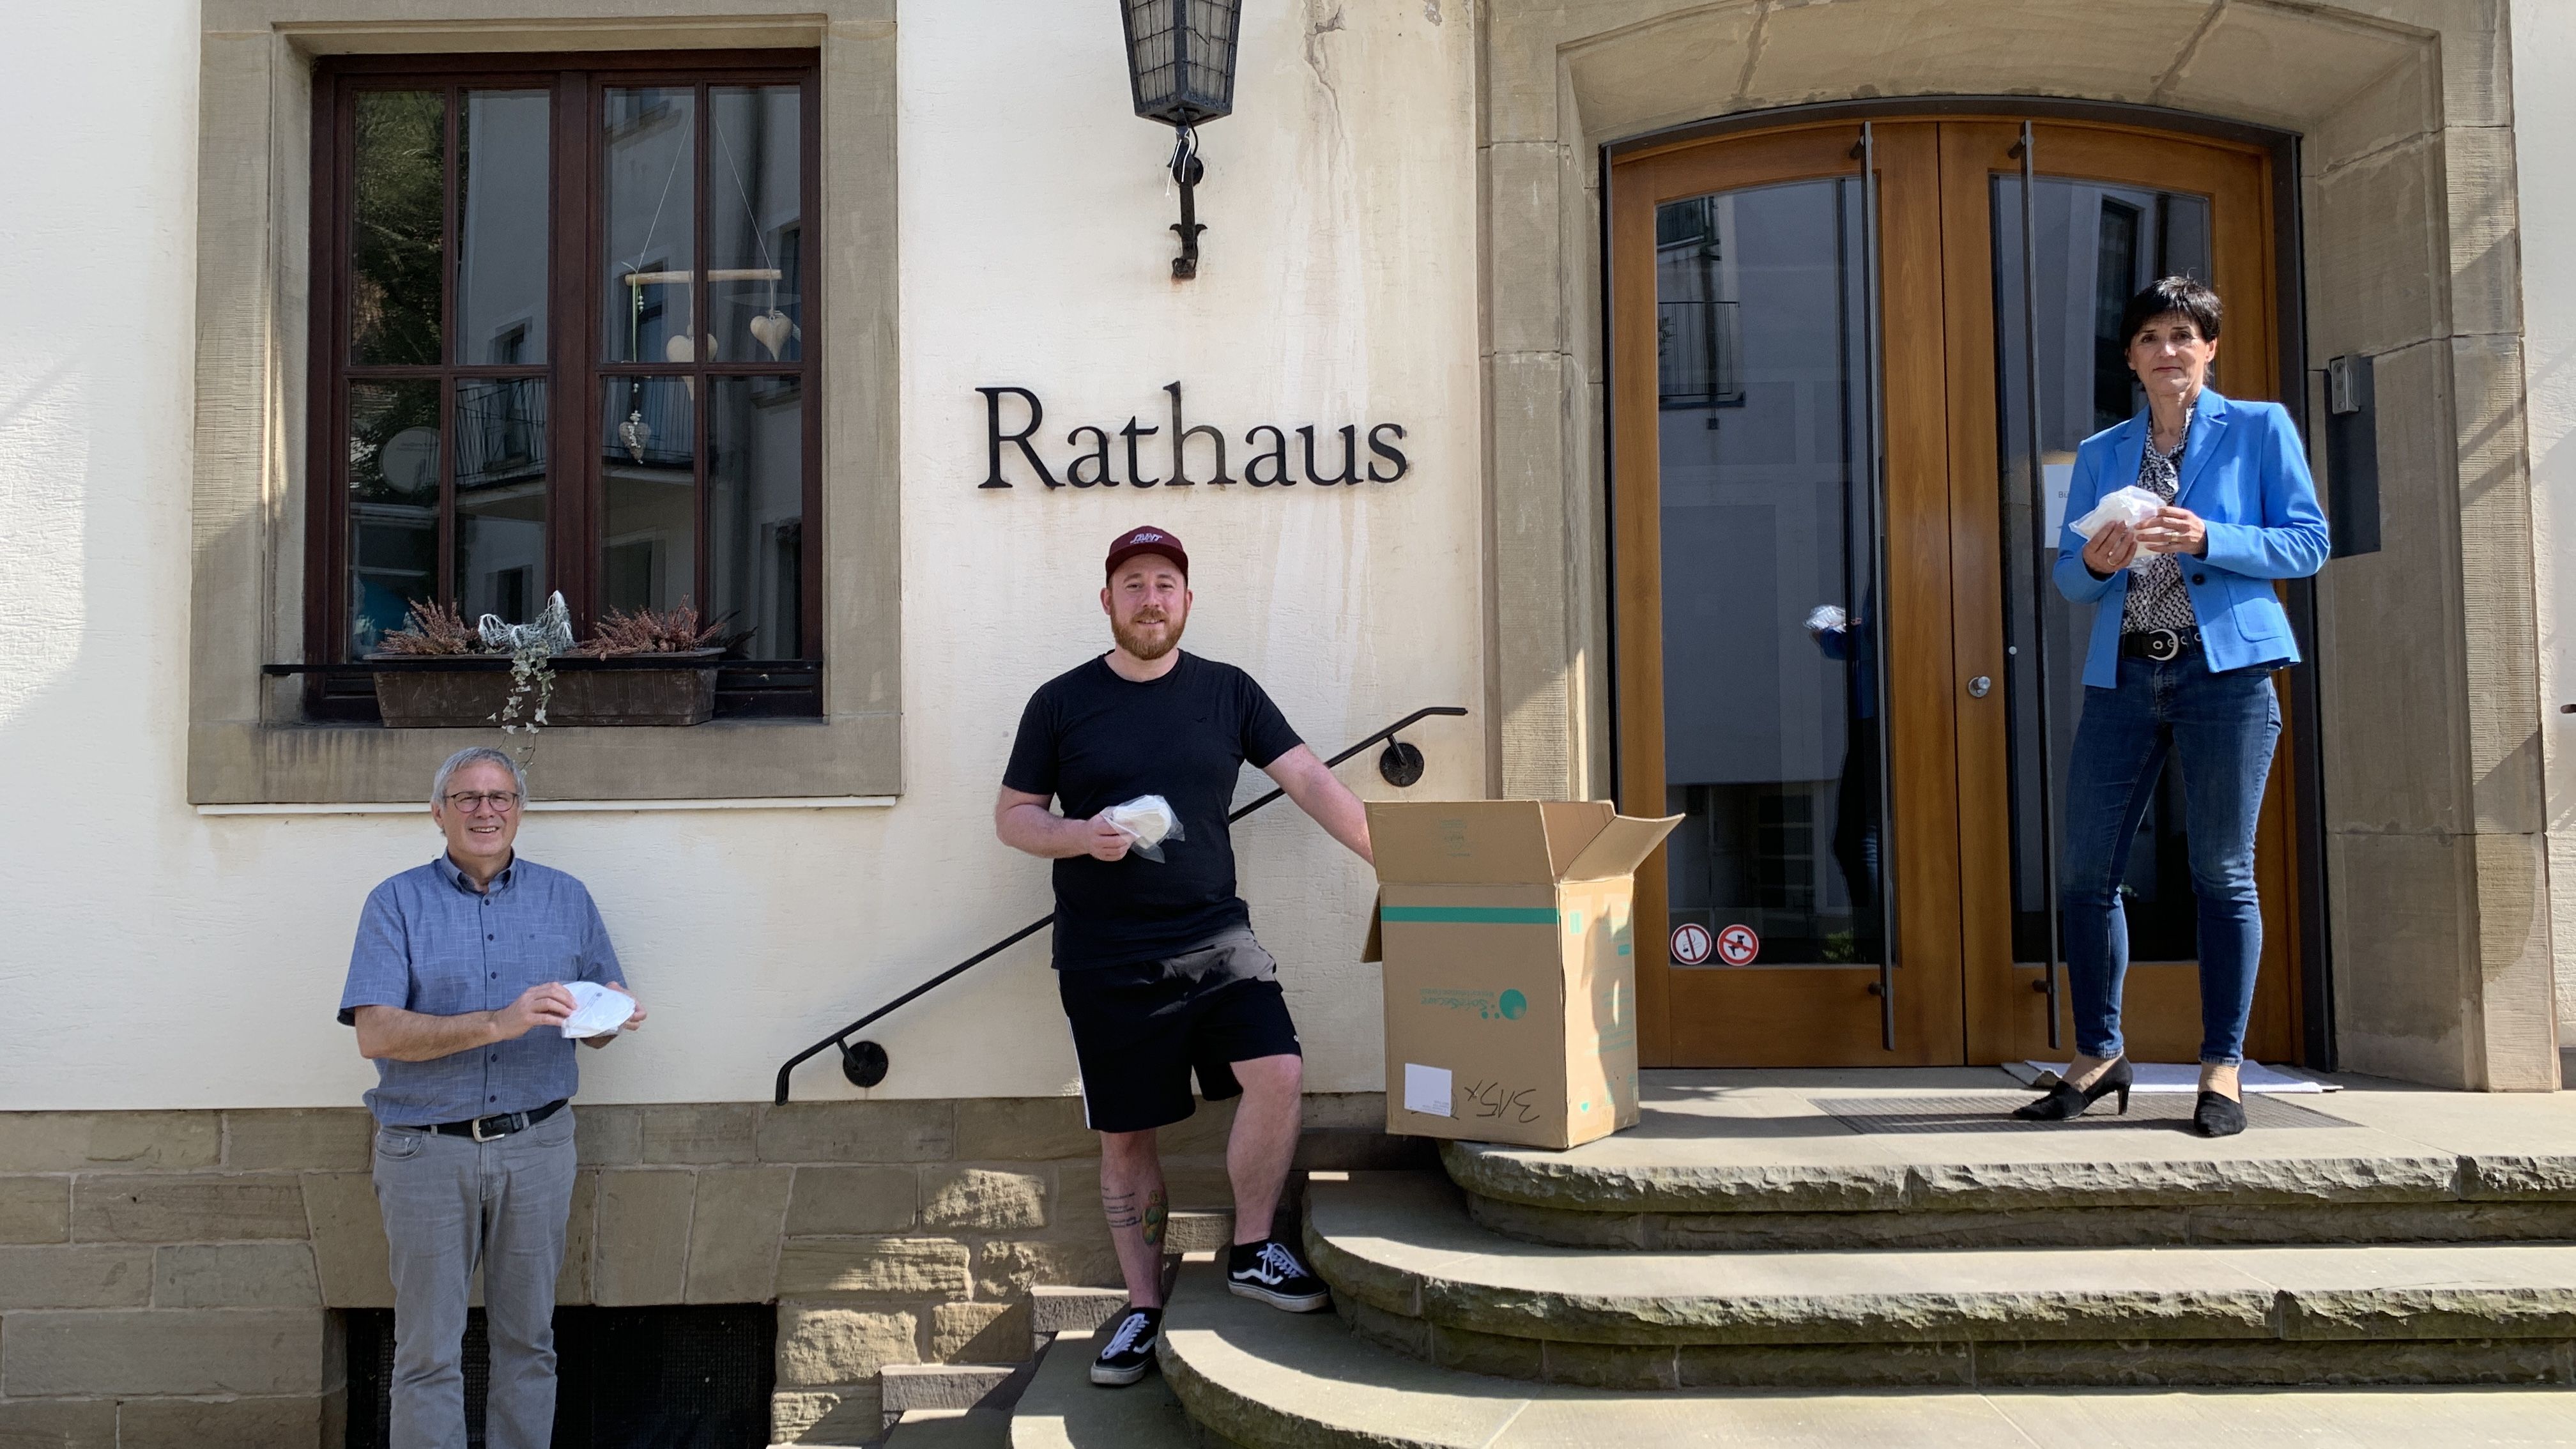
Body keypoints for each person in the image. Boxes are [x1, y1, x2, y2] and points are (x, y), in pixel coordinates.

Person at [996, 525, 1375, 1388]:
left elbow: (1311, 781)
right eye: (1133, 584)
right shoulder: (1061, 703)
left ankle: (1253, 1249)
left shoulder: (1227, 692)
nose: (1150, 599)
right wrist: (1077, 836)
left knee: (1278, 1070)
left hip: (1216, 940)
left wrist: (1400, 860)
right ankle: (1142, 1305)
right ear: (1108, 601)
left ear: (1188, 601)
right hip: (1105, 958)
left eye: (1165, 584)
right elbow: (1013, 816)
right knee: (1127, 1136)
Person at [2014, 277, 2327, 1138]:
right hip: (2124, 676)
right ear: (2130, 357)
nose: (2168, 351)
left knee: (2222, 872)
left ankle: (2221, 1067)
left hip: (2226, 675)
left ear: (2210, 348)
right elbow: (2070, 577)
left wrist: (2210, 537)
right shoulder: (2103, 450)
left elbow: (2308, 543)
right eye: (2150, 337)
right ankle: (2098, 1056)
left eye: (2184, 335)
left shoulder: (2258, 428)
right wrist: (2099, 563)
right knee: (2086, 873)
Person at [340, 746, 646, 1447]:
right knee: (427, 1351)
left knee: (529, 1342)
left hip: (537, 1146)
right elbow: (375, 1032)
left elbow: (595, 1028)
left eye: (500, 797)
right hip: (427, 1152)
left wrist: (611, 1015)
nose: (486, 811)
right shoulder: (395, 902)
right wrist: (497, 1023)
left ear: (519, 810)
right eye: (468, 798)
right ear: (438, 812)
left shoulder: (567, 898)